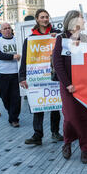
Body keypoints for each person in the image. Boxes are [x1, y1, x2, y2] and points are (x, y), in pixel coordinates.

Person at [53, 10, 87, 163]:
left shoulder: (85, 39)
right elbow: (57, 63)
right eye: (81, 19)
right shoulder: (61, 38)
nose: (84, 21)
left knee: (86, 117)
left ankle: (86, 149)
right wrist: (67, 84)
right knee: (70, 117)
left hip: (85, 85)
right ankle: (67, 142)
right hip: (68, 85)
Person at [20, 9, 64, 145]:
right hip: (37, 76)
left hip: (53, 75)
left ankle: (55, 132)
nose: (45, 19)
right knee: (38, 105)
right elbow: (25, 60)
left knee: (54, 105)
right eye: (42, 17)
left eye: (47, 17)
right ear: (37, 19)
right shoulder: (31, 39)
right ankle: (37, 135)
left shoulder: (57, 35)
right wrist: (22, 77)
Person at [0, 22, 21, 127]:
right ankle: (11, 112)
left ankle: (14, 119)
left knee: (16, 97)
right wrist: (12, 56)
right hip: (3, 73)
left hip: (16, 73)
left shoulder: (17, 40)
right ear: (1, 31)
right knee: (4, 95)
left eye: (9, 28)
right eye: (5, 28)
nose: (7, 30)